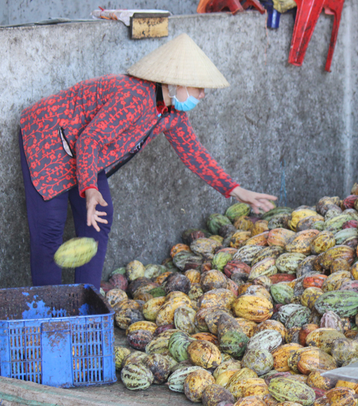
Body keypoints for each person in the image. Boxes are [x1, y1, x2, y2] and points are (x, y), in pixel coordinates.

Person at [19, 33, 277, 288]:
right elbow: (90, 140)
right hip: (50, 138)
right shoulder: (134, 96)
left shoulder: (170, 112)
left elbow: (194, 152)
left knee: (100, 216)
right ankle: (46, 313)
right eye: (199, 87)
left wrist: (236, 190)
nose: (202, 95)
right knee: (49, 231)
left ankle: (86, 302)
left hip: (85, 150)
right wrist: (90, 188)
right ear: (177, 82)